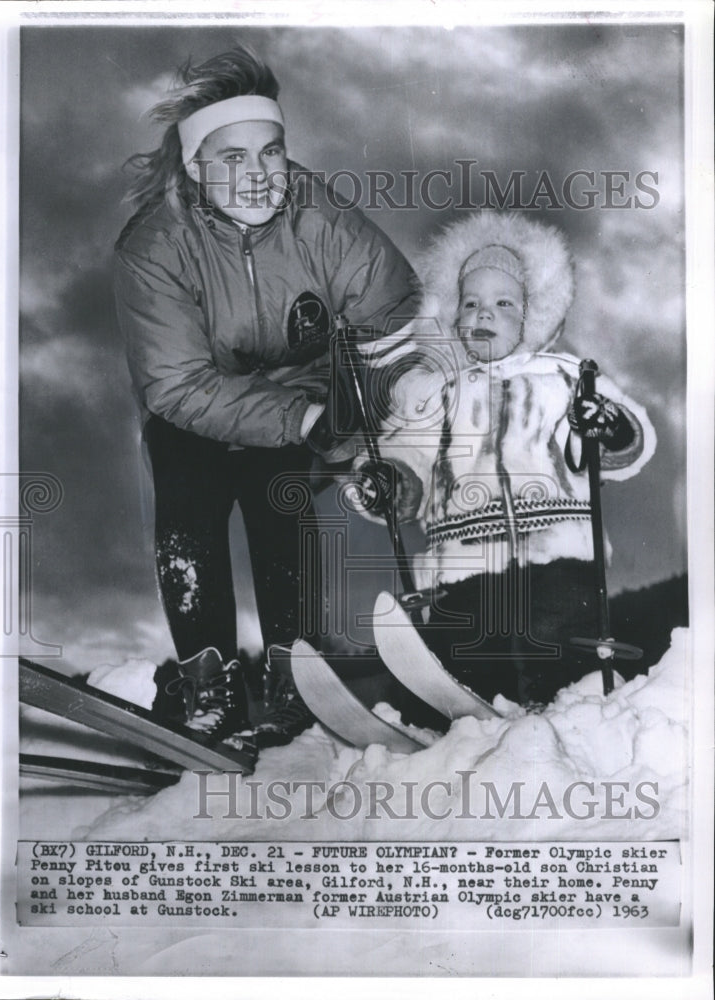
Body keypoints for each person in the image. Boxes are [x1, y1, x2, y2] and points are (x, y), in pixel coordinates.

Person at [113, 47, 418, 750]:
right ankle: (206, 682)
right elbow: (177, 384)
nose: (257, 176)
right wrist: (304, 418)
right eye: (232, 159)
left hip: (297, 394)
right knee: (188, 489)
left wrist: (374, 415)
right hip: (194, 403)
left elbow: (394, 318)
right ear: (194, 167)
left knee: (280, 501)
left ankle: (293, 678)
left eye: (271, 153)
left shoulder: (320, 219)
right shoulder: (153, 246)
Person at [353, 211, 656, 707]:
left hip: (557, 556)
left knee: (560, 654)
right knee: (467, 652)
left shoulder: (562, 379)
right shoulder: (434, 392)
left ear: (531, 314)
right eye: (470, 303)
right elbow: (409, 449)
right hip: (463, 561)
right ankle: (455, 718)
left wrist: (607, 425)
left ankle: (572, 718)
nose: (483, 314)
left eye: (502, 302)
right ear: (451, 315)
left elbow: (619, 444)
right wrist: (391, 479)